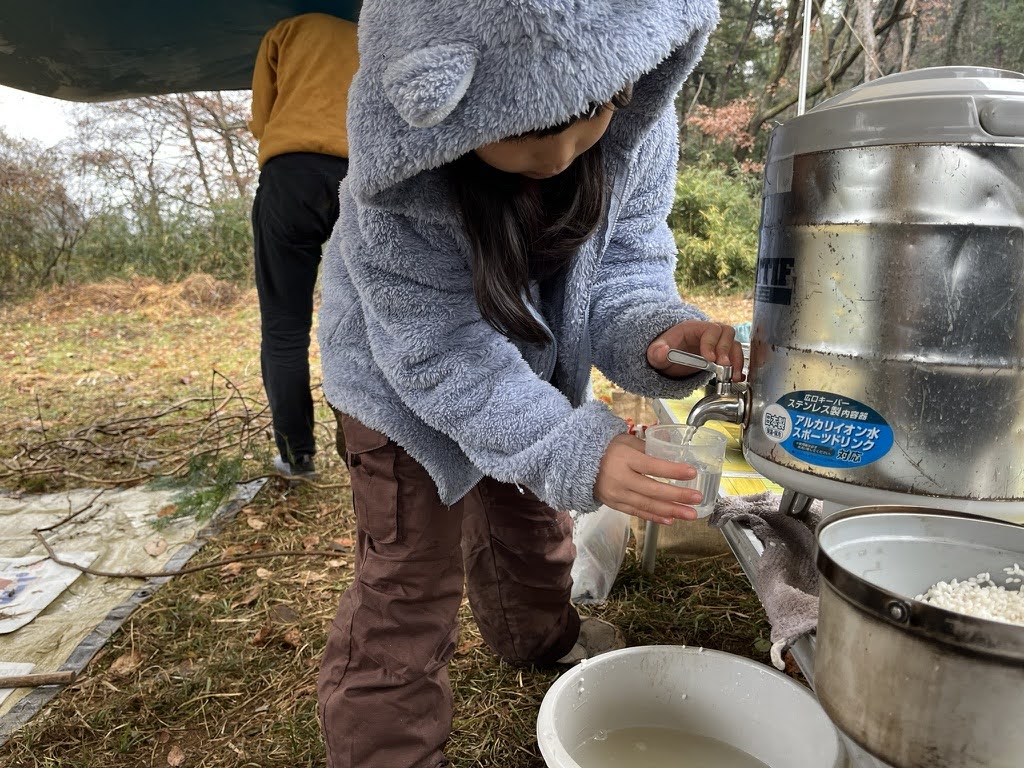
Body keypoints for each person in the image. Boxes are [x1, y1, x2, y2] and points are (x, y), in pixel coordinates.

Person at [315, 0, 737, 765]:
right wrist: (568, 444)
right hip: (396, 383)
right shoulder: (401, 180)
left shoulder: (638, 118)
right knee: (409, 581)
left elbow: (628, 270)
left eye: (591, 114)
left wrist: (660, 333)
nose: (564, 152)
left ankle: (540, 640)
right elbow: (438, 351)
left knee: (534, 522)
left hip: (532, 366)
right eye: (527, 129)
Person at [248, 13, 358, 477]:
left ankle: (298, 456)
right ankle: (364, 450)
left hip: (289, 176)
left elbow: (261, 117)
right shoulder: (372, 30)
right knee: (364, 324)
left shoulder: (288, 29)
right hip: (358, 179)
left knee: (284, 329)